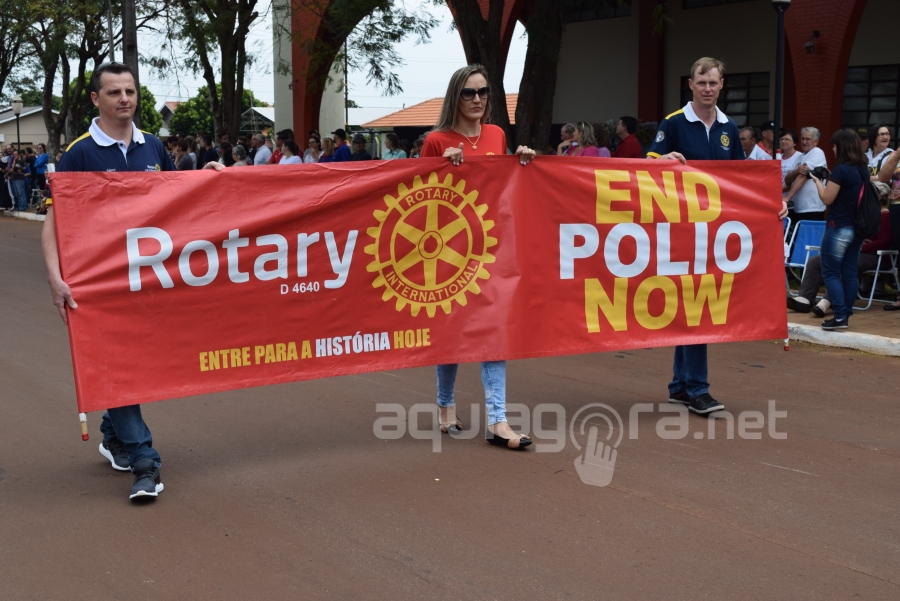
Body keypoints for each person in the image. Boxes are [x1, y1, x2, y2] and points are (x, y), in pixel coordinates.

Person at [41, 61, 172, 500]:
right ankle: (144, 461)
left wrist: (213, 176)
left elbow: (182, 199)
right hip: (97, 283)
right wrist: (56, 279)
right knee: (118, 366)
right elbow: (54, 221)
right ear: (96, 99)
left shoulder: (155, 147)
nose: (124, 99)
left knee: (140, 361)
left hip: (148, 279)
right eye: (114, 92)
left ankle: (112, 433)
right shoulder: (78, 154)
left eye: (130, 91)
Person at [647, 56, 786, 416]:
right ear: (690, 85)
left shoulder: (729, 127)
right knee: (697, 305)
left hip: (714, 232)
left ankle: (681, 386)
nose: (707, 88)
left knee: (693, 305)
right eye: (701, 82)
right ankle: (697, 388)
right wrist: (660, 161)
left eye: (713, 82)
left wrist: (772, 203)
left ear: (721, 85)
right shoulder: (673, 123)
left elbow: (740, 180)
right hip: (679, 231)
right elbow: (644, 168)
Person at [420, 63, 537, 449]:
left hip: (490, 249)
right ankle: (445, 405)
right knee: (451, 332)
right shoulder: (436, 140)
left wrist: (520, 162)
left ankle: (498, 420)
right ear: (456, 96)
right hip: (449, 252)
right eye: (469, 92)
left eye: (483, 92)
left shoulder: (497, 134)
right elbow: (418, 196)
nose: (477, 99)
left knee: (494, 331)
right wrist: (442, 166)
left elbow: (500, 186)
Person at [788, 181, 893, 317]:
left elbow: (885, 242)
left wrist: (861, 246)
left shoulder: (885, 216)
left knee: (846, 264)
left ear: (878, 197)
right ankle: (804, 299)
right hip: (854, 251)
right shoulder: (862, 214)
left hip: (876, 256)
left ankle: (826, 302)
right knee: (815, 261)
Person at [807, 128, 869, 330]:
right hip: (857, 228)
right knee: (849, 272)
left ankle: (840, 316)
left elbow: (827, 199)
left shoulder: (842, 169)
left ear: (842, 147)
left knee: (830, 272)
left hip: (839, 226)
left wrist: (818, 181)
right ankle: (845, 314)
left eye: (834, 146)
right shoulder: (862, 169)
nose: (833, 149)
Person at [783, 127, 828, 222]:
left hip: (812, 208)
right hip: (798, 208)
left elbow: (803, 176)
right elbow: (787, 180)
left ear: (816, 141)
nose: (804, 142)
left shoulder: (817, 152)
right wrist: (796, 171)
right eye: (802, 138)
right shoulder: (800, 156)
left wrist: (787, 197)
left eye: (808, 139)